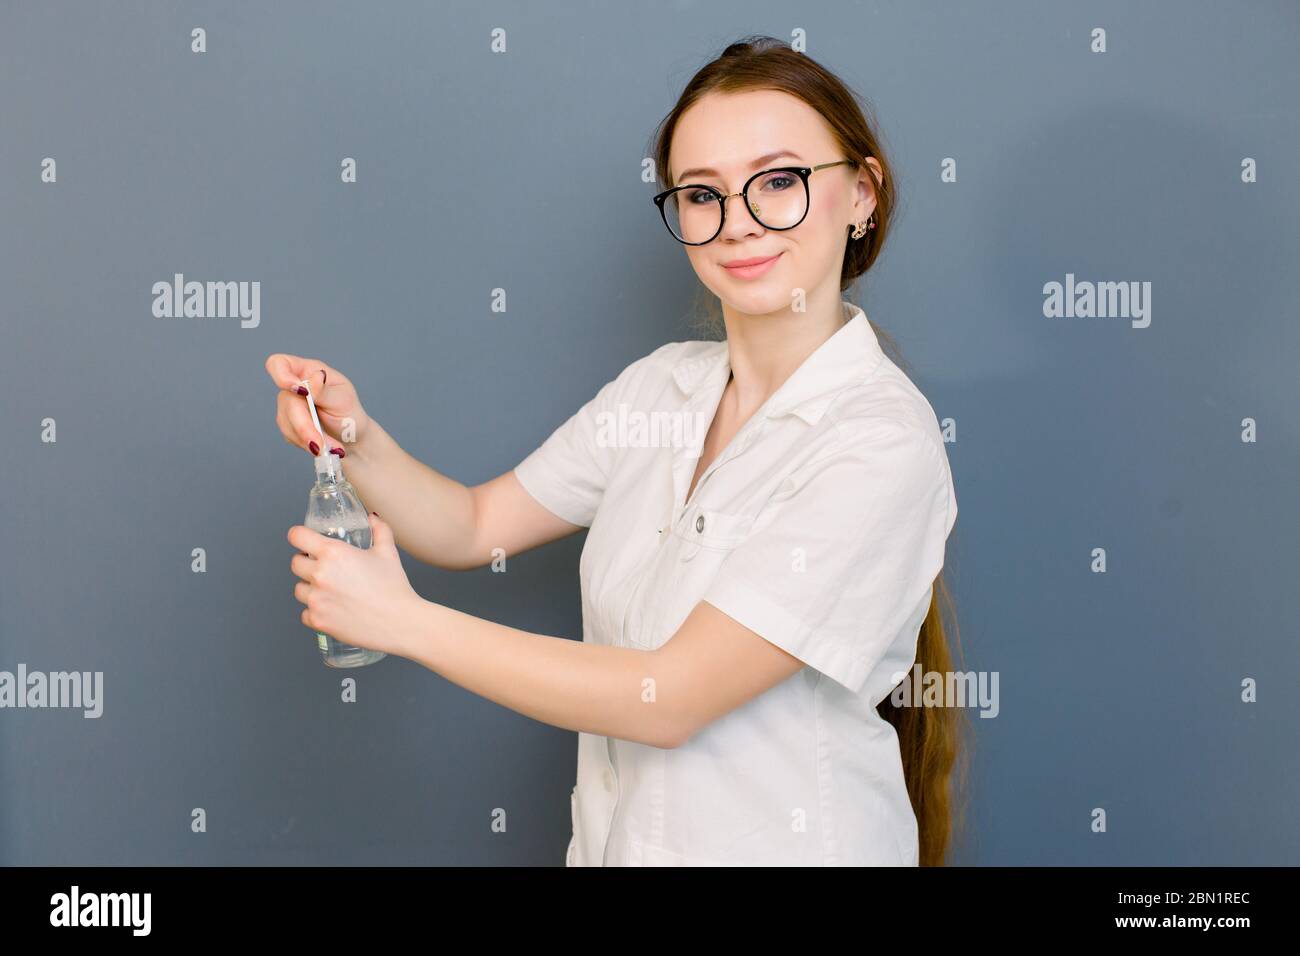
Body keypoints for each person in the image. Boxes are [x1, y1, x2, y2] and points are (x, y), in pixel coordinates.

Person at [266, 35, 965, 866]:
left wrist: (404, 623)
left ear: (862, 193)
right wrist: (355, 436)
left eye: (780, 181)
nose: (738, 222)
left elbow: (669, 697)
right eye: (703, 194)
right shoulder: (660, 391)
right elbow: (470, 524)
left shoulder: (879, 440)